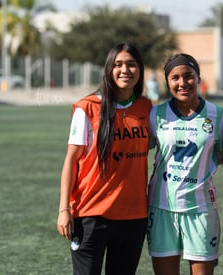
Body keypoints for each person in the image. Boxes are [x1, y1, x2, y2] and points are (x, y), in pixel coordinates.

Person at [56, 43, 151, 275]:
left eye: (131, 64)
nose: (125, 70)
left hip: (133, 216)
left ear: (140, 70)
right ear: (108, 69)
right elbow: (71, 159)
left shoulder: (147, 108)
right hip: (90, 215)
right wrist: (63, 209)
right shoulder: (88, 108)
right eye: (118, 65)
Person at [147, 53, 223, 275]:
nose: (182, 83)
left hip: (201, 210)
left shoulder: (218, 115)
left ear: (198, 78)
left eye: (188, 76)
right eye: (175, 78)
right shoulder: (155, 115)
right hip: (162, 207)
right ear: (167, 82)